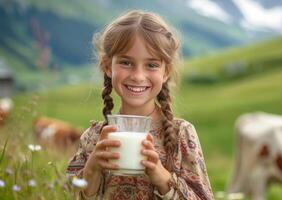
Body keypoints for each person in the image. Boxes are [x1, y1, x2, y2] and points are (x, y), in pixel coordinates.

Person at [66, 10, 214, 200]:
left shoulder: (182, 135)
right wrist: (92, 170)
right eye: (126, 62)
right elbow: (65, 194)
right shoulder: (93, 138)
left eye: (151, 65)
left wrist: (162, 177)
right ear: (107, 67)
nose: (137, 76)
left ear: (166, 72)